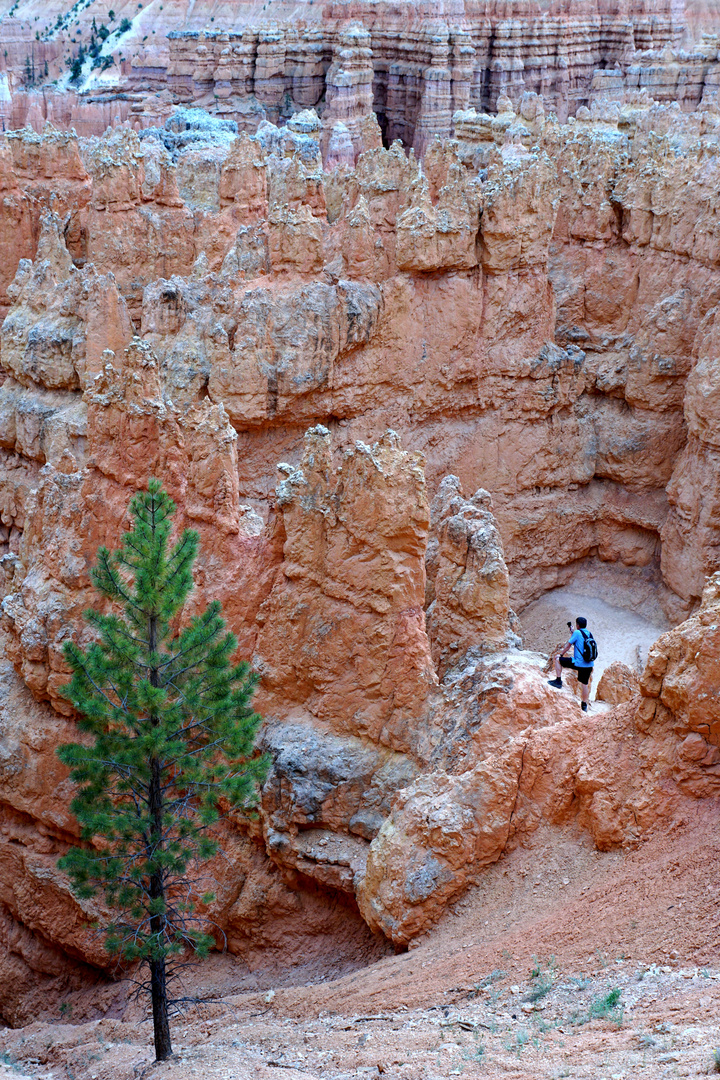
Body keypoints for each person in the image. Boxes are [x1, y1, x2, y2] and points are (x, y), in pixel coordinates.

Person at [548, 616, 594, 711]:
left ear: (577, 625)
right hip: (589, 664)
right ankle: (584, 705)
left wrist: (560, 654)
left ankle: (558, 681)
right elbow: (580, 641)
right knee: (584, 684)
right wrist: (572, 632)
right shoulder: (589, 634)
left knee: (557, 659)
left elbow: (569, 645)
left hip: (578, 663)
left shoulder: (577, 632)